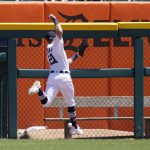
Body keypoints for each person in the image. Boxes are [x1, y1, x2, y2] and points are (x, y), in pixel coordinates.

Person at [28, 14, 88, 135]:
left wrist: (77, 54)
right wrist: (54, 19)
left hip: (53, 77)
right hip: (64, 77)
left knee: (46, 103)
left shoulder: (49, 49)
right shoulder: (56, 44)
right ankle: (75, 127)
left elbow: (67, 62)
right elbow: (60, 30)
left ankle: (39, 89)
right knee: (71, 103)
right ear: (54, 37)